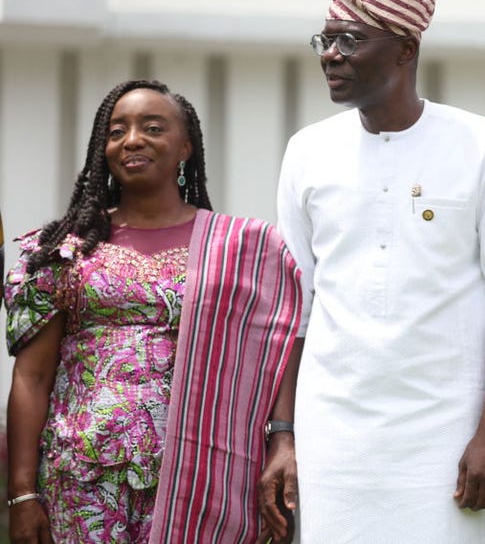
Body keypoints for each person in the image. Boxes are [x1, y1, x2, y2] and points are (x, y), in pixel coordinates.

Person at [261, 0, 485, 543]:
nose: (331, 55)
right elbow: (293, 310)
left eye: (351, 39)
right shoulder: (307, 152)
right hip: (333, 437)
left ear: (405, 50)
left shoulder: (480, 143)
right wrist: (283, 434)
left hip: (445, 433)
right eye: (326, 39)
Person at [4, 79, 303, 543]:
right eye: (117, 130)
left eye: (152, 127)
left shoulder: (242, 248)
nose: (132, 140)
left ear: (185, 146)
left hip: (202, 476)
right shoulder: (66, 251)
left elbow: (280, 350)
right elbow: (32, 376)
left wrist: (282, 438)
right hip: (81, 476)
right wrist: (22, 494)